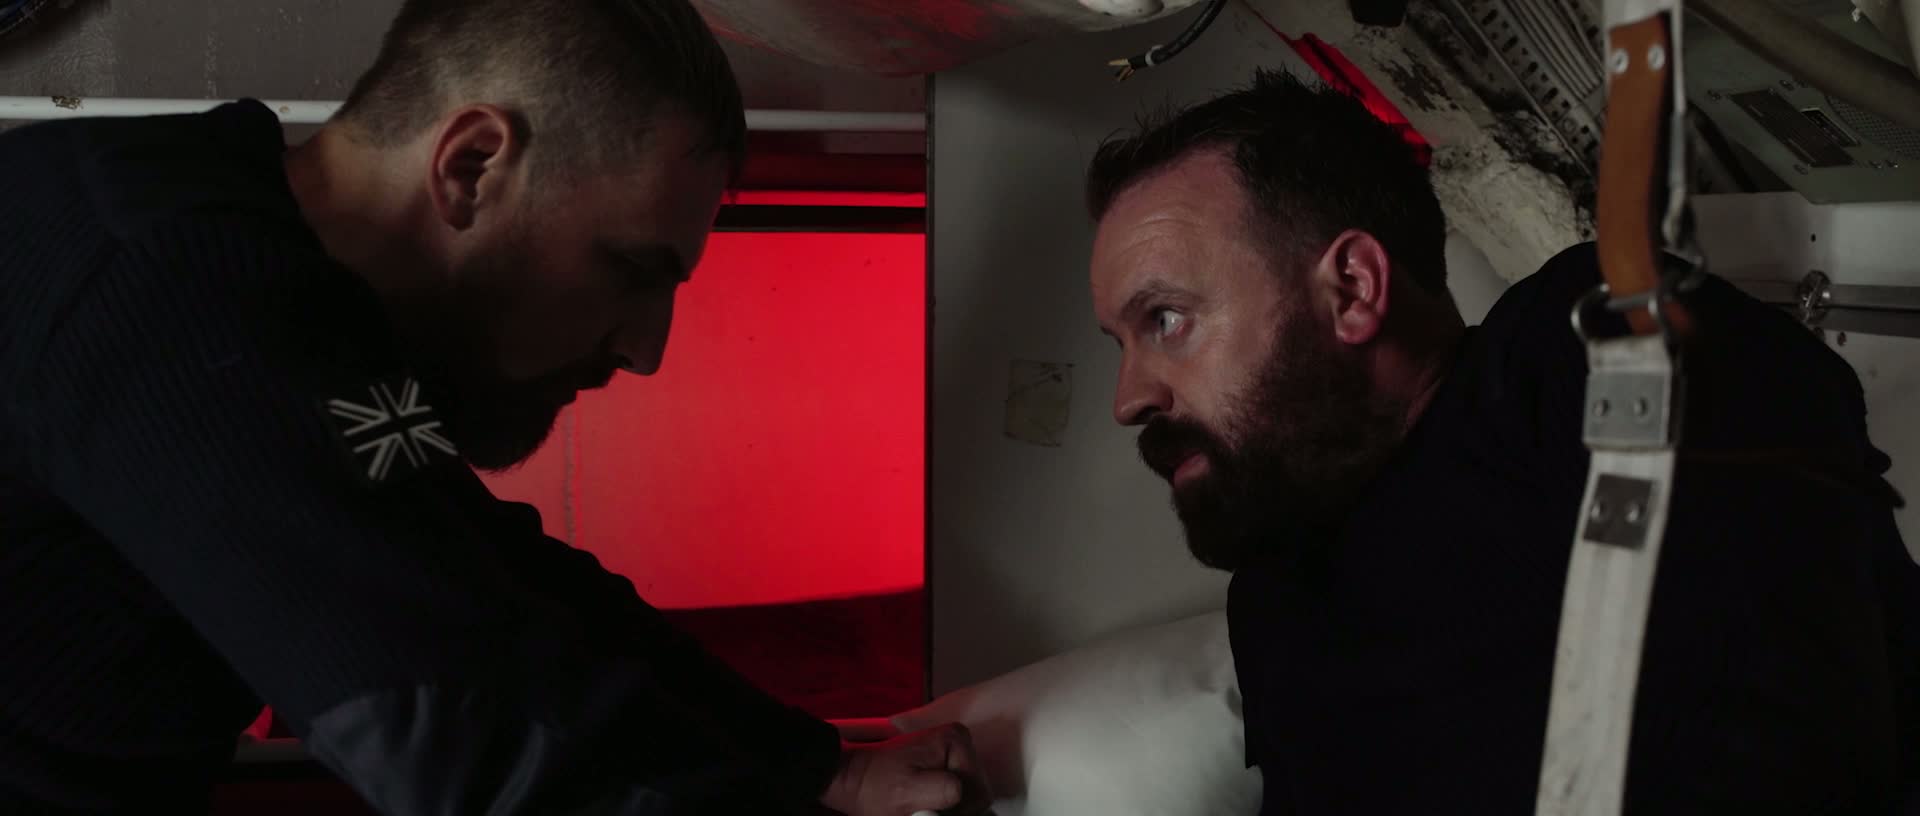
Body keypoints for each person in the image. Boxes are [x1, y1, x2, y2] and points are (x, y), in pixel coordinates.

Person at [0, 1, 984, 814]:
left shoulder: (271, 276)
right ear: (471, 165)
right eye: (630, 269)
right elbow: (451, 732)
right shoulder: (167, 284)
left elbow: (488, 573)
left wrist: (820, 769)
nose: (646, 349)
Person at [1084, 68, 1918, 814]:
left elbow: (1792, 753)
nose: (1128, 399)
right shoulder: (1273, 599)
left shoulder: (1582, 347)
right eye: (1121, 344)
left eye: (1165, 320)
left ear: (1353, 290)